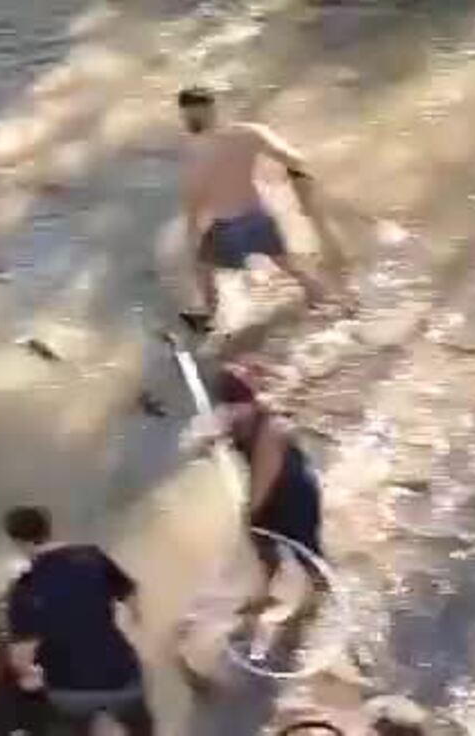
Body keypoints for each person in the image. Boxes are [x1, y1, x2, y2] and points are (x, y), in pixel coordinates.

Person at [175, 86, 327, 333]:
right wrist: (297, 175)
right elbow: (294, 158)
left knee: (202, 267)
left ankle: (209, 317)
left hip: (227, 227)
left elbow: (195, 197)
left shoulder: (197, 150)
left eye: (188, 115)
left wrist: (191, 232)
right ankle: (323, 303)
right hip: (258, 216)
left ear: (193, 114)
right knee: (290, 266)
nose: (187, 120)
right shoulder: (250, 133)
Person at [0, 506, 154, 736]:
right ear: (49, 529)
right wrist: (132, 627)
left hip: (70, 692)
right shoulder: (93, 557)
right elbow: (130, 594)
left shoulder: (23, 590)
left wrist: (28, 676)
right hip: (122, 677)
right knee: (140, 723)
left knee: (67, 722)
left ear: (19, 542)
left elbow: (22, 657)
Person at [199, 368, 326, 614]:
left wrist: (249, 513)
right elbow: (217, 438)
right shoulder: (237, 421)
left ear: (250, 402)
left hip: (297, 493)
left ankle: (321, 595)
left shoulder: (269, 428)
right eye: (228, 407)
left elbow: (263, 476)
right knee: (262, 544)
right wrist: (209, 443)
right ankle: (269, 592)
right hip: (274, 493)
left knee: (306, 550)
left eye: (237, 406)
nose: (233, 413)